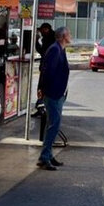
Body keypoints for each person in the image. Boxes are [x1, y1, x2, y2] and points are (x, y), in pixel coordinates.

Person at [36, 26, 71, 171]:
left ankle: (48, 155)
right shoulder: (55, 50)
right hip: (53, 93)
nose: (71, 36)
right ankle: (44, 157)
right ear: (63, 36)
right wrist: (42, 89)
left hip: (57, 93)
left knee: (53, 125)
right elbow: (46, 71)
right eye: (69, 34)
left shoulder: (60, 49)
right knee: (53, 126)